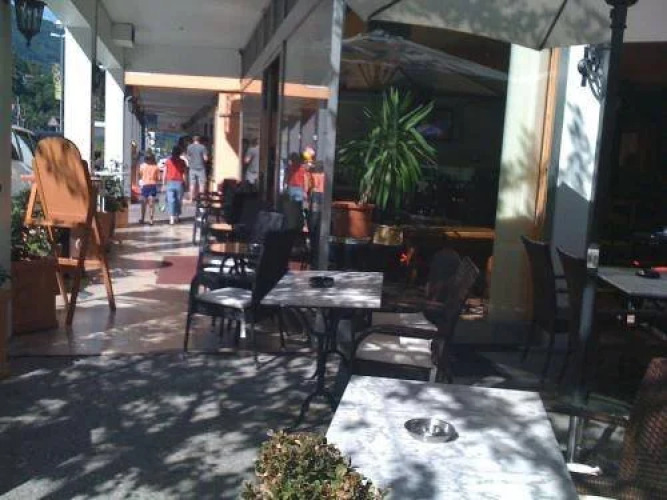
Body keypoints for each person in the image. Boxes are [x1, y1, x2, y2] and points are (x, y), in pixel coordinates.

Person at [306, 158, 325, 264]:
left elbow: (308, 187)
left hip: (315, 197)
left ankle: (313, 253)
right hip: (322, 199)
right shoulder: (324, 176)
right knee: (319, 228)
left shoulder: (312, 175)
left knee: (313, 226)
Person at [164, 146, 187, 225]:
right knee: (178, 201)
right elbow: (184, 174)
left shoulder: (168, 161)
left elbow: (165, 172)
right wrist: (186, 183)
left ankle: (171, 219)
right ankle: (177, 217)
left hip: (170, 182)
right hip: (179, 182)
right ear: (180, 153)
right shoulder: (182, 162)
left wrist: (163, 183)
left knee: (171, 201)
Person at [138, 152, 161, 225]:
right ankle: (151, 220)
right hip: (152, 185)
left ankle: (142, 218)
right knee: (151, 204)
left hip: (145, 186)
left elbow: (140, 175)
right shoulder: (156, 167)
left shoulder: (142, 166)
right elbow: (158, 178)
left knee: (143, 203)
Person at [186, 135, 209, 201]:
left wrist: (191, 161)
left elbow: (188, 157)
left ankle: (191, 199)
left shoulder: (189, 147)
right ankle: (201, 199)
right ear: (199, 140)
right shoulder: (202, 147)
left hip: (192, 168)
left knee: (192, 184)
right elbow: (205, 158)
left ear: (193, 140)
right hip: (201, 168)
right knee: (201, 184)